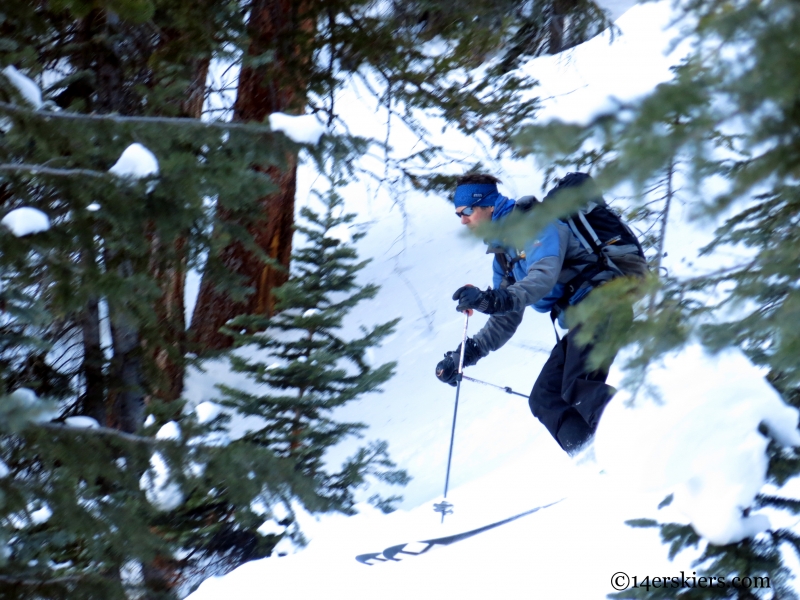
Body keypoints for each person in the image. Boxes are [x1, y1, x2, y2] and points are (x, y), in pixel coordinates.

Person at [435, 172, 645, 454]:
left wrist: (491, 299)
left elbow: (541, 278)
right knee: (544, 398)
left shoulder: (536, 224)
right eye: (459, 214)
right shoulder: (504, 253)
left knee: (577, 385)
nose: (463, 220)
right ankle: (591, 460)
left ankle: (643, 434)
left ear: (488, 205)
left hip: (605, 303)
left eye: (468, 211)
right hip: (582, 319)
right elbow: (506, 315)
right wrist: (468, 352)